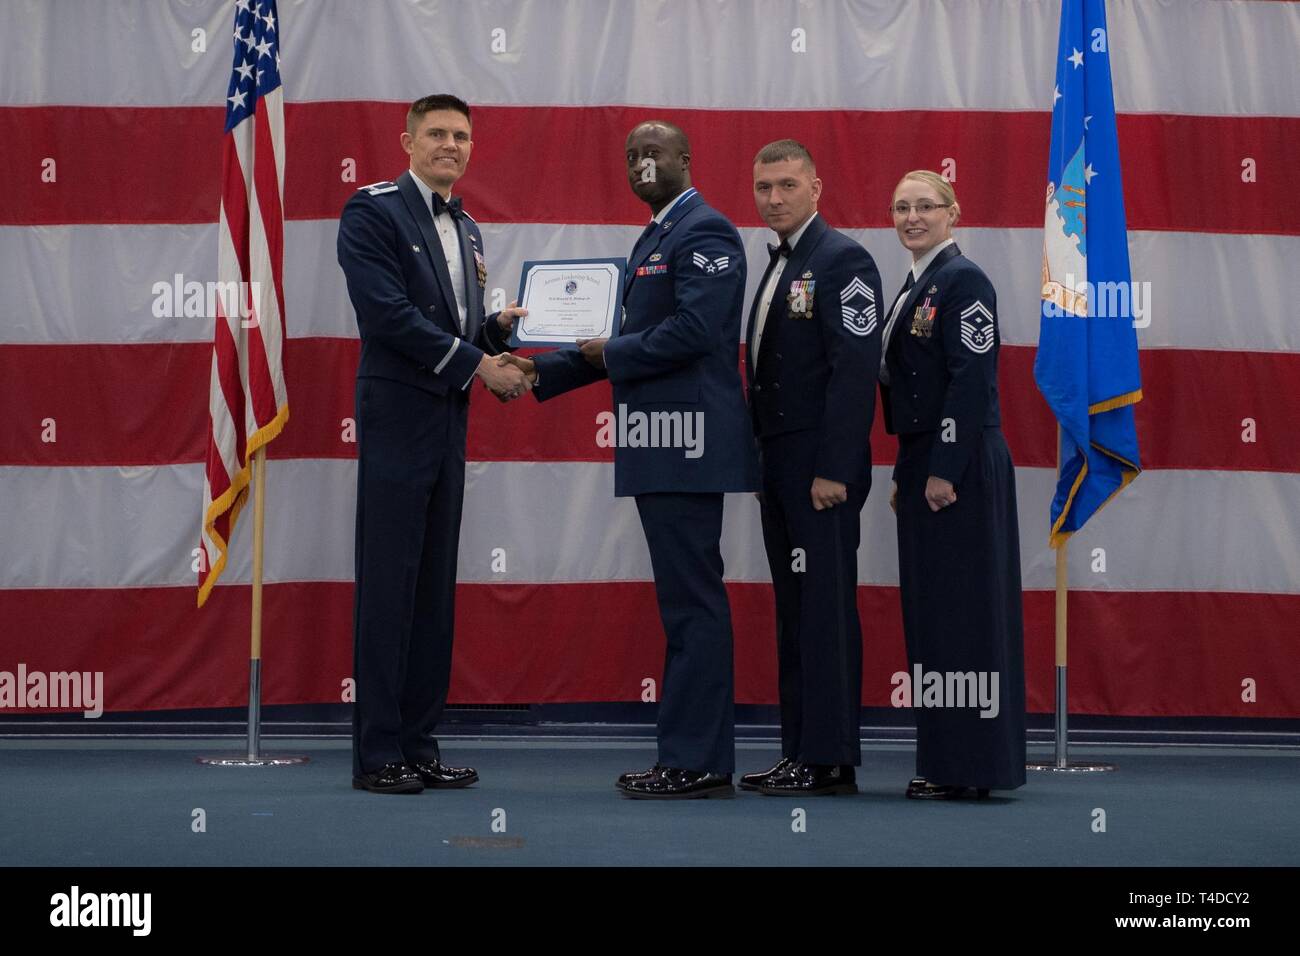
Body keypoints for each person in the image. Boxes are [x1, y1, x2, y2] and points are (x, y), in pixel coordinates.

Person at [501, 121, 760, 798]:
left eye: (656, 153)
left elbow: (696, 333)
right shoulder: (656, 234)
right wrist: (538, 371)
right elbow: (627, 337)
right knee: (681, 604)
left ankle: (697, 762)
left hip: (687, 442)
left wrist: (606, 354)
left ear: (685, 160)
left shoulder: (704, 231)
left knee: (692, 605)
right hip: (659, 441)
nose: (643, 164)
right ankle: (686, 755)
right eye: (633, 156)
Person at [337, 93, 530, 794]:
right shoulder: (372, 210)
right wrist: (480, 363)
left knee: (432, 591)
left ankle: (419, 743)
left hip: (449, 420)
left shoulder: (470, 227)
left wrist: (497, 334)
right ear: (408, 140)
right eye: (438, 134)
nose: (451, 145)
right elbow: (386, 316)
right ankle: (377, 753)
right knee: (390, 585)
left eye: (461, 136)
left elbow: (458, 327)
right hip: (396, 416)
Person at [740, 140, 882, 796]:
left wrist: (833, 469)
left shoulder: (843, 259)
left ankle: (829, 759)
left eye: (787, 185)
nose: (774, 197)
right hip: (781, 466)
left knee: (822, 611)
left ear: (817, 187)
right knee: (796, 612)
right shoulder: (779, 262)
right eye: (764, 186)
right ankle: (800, 748)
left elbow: (854, 373)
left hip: (820, 473)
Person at [879, 170, 1026, 800]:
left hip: (959, 465)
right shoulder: (916, 283)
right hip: (924, 460)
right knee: (934, 615)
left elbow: (971, 379)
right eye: (901, 207)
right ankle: (945, 757)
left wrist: (942, 467)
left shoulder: (964, 281)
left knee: (964, 616)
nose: (912, 217)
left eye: (925, 206)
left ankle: (971, 766)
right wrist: (906, 469)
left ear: (953, 211)